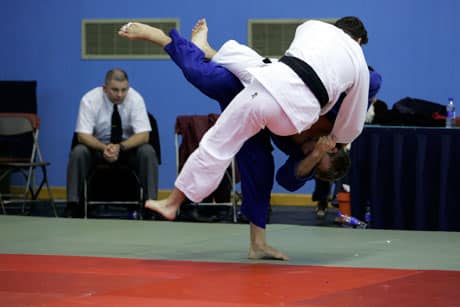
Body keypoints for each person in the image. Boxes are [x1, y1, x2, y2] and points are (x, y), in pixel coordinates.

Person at [119, 16, 368, 259]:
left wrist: (316, 154)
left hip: (271, 95)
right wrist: (339, 136)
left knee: (257, 168)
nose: (308, 151)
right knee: (202, 76)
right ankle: (169, 40)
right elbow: (359, 108)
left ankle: (257, 243)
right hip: (272, 84)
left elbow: (288, 179)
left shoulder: (314, 28)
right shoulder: (344, 95)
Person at [66, 68, 159, 217]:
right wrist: (104, 148)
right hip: (97, 149)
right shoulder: (89, 99)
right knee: (79, 152)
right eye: (115, 90)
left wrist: (120, 147)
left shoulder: (136, 99)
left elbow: (144, 135)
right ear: (104, 88)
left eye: (124, 90)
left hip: (127, 149)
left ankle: (151, 206)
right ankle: (73, 205)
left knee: (147, 151)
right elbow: (82, 136)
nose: (120, 95)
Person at [313, 67, 382, 219]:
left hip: (351, 144)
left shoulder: (372, 101)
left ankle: (345, 206)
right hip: (331, 139)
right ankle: (322, 202)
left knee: (344, 175)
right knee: (324, 168)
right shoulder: (339, 96)